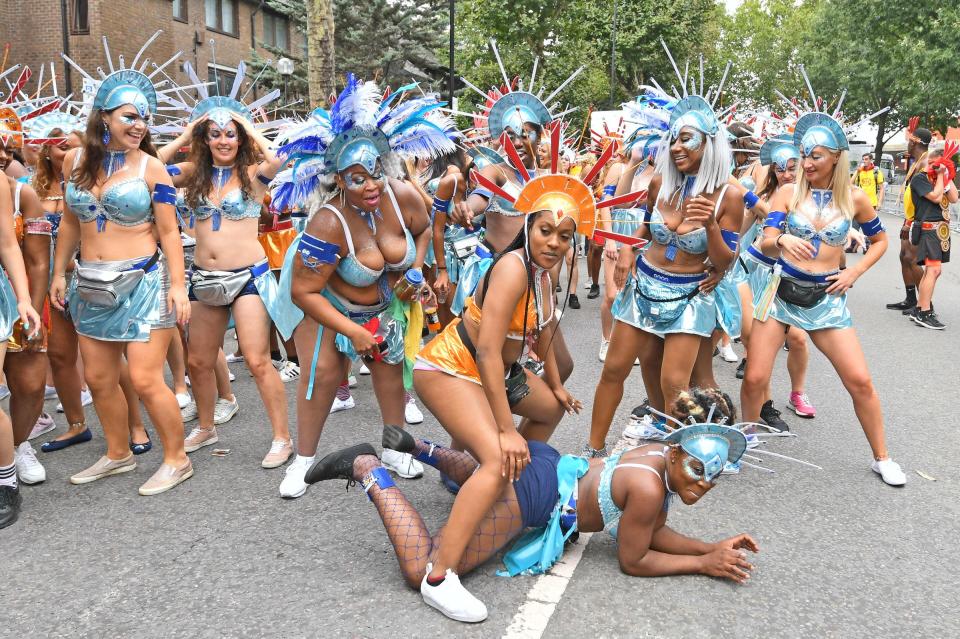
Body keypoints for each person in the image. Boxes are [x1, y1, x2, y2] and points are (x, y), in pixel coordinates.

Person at [304, 388, 777, 623]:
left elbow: (651, 531)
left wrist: (709, 547)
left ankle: (421, 448)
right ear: (678, 450)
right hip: (539, 496)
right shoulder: (651, 487)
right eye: (699, 469)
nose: (705, 483)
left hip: (550, 465)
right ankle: (368, 468)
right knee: (425, 567)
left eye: (716, 476)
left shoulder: (658, 460)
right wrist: (702, 564)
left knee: (485, 482)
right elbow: (635, 558)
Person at [412, 159, 593, 617]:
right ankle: (439, 576)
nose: (554, 241)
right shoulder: (513, 268)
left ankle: (496, 484)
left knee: (549, 410)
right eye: (546, 230)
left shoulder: (544, 274)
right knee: (496, 455)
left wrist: (556, 386)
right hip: (452, 367)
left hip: (492, 369)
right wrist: (505, 431)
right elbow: (489, 353)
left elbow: (545, 333)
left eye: (565, 235)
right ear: (529, 227)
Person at [269, 75, 456, 499]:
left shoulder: (401, 195)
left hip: (384, 308)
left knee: (390, 376)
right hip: (329, 307)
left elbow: (424, 230)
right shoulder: (327, 223)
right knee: (320, 377)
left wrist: (415, 272)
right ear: (338, 180)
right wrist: (350, 329)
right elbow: (304, 292)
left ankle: (393, 449)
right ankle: (303, 461)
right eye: (357, 179)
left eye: (375, 173)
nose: (370, 185)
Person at [52, 36, 193, 495]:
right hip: (90, 284)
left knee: (145, 377)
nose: (139, 125)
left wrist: (178, 285)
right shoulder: (73, 161)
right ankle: (116, 453)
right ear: (104, 118)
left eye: (143, 118)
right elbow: (72, 224)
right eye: (130, 117)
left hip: (144, 282)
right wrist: (59, 272)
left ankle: (177, 458)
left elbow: (170, 232)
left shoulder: (151, 168)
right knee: (97, 376)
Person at [741, 93, 906, 486]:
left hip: (827, 300)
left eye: (816, 155)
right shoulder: (786, 193)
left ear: (836, 156)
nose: (808, 163)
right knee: (754, 377)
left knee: (860, 380)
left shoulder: (856, 198)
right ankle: (744, 442)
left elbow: (881, 241)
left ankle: (882, 457)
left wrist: (854, 273)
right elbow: (765, 239)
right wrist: (781, 242)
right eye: (804, 155)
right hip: (780, 292)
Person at [587, 74, 745, 457]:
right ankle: (592, 451)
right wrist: (628, 250)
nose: (676, 147)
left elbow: (725, 260)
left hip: (691, 295)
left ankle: (681, 453)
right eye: (673, 138)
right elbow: (646, 224)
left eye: (686, 139)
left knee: (675, 381)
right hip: (644, 286)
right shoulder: (660, 183)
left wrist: (709, 225)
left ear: (710, 143)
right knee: (614, 369)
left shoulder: (731, 194)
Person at [158, 66, 295, 467]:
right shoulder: (191, 175)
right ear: (205, 138)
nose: (222, 140)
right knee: (199, 361)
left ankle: (282, 438)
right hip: (204, 279)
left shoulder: (253, 174)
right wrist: (184, 137)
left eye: (229, 133)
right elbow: (150, 164)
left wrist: (250, 129)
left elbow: (281, 158)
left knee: (256, 360)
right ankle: (206, 425)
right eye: (214, 133)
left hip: (247, 279)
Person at [737, 135, 816, 424]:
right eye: (780, 169)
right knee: (755, 342)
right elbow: (739, 234)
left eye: (792, 167)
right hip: (758, 272)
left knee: (797, 338)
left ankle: (798, 392)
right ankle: (764, 403)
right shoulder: (768, 198)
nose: (786, 173)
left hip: (790, 277)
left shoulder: (810, 200)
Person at [0, 171, 45, 527]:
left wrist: (27, 301)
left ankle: (8, 470)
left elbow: (13, 247)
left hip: (8, 297)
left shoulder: (10, 187)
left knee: (25, 386)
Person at [907, 140, 957, 329]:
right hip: (928, 229)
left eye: (937, 164)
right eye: (932, 163)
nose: (933, 167)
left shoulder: (940, 181)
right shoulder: (920, 179)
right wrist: (940, 176)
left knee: (934, 271)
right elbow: (936, 197)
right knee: (934, 270)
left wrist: (947, 175)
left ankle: (920, 307)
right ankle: (924, 312)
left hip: (940, 230)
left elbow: (953, 198)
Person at [886, 125, 929, 312]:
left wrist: (912, 221)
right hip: (910, 217)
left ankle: (925, 304)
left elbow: (923, 197)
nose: (907, 144)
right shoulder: (917, 160)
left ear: (914, 142)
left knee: (912, 258)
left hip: (918, 218)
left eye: (909, 140)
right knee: (904, 256)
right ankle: (910, 299)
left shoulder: (925, 162)